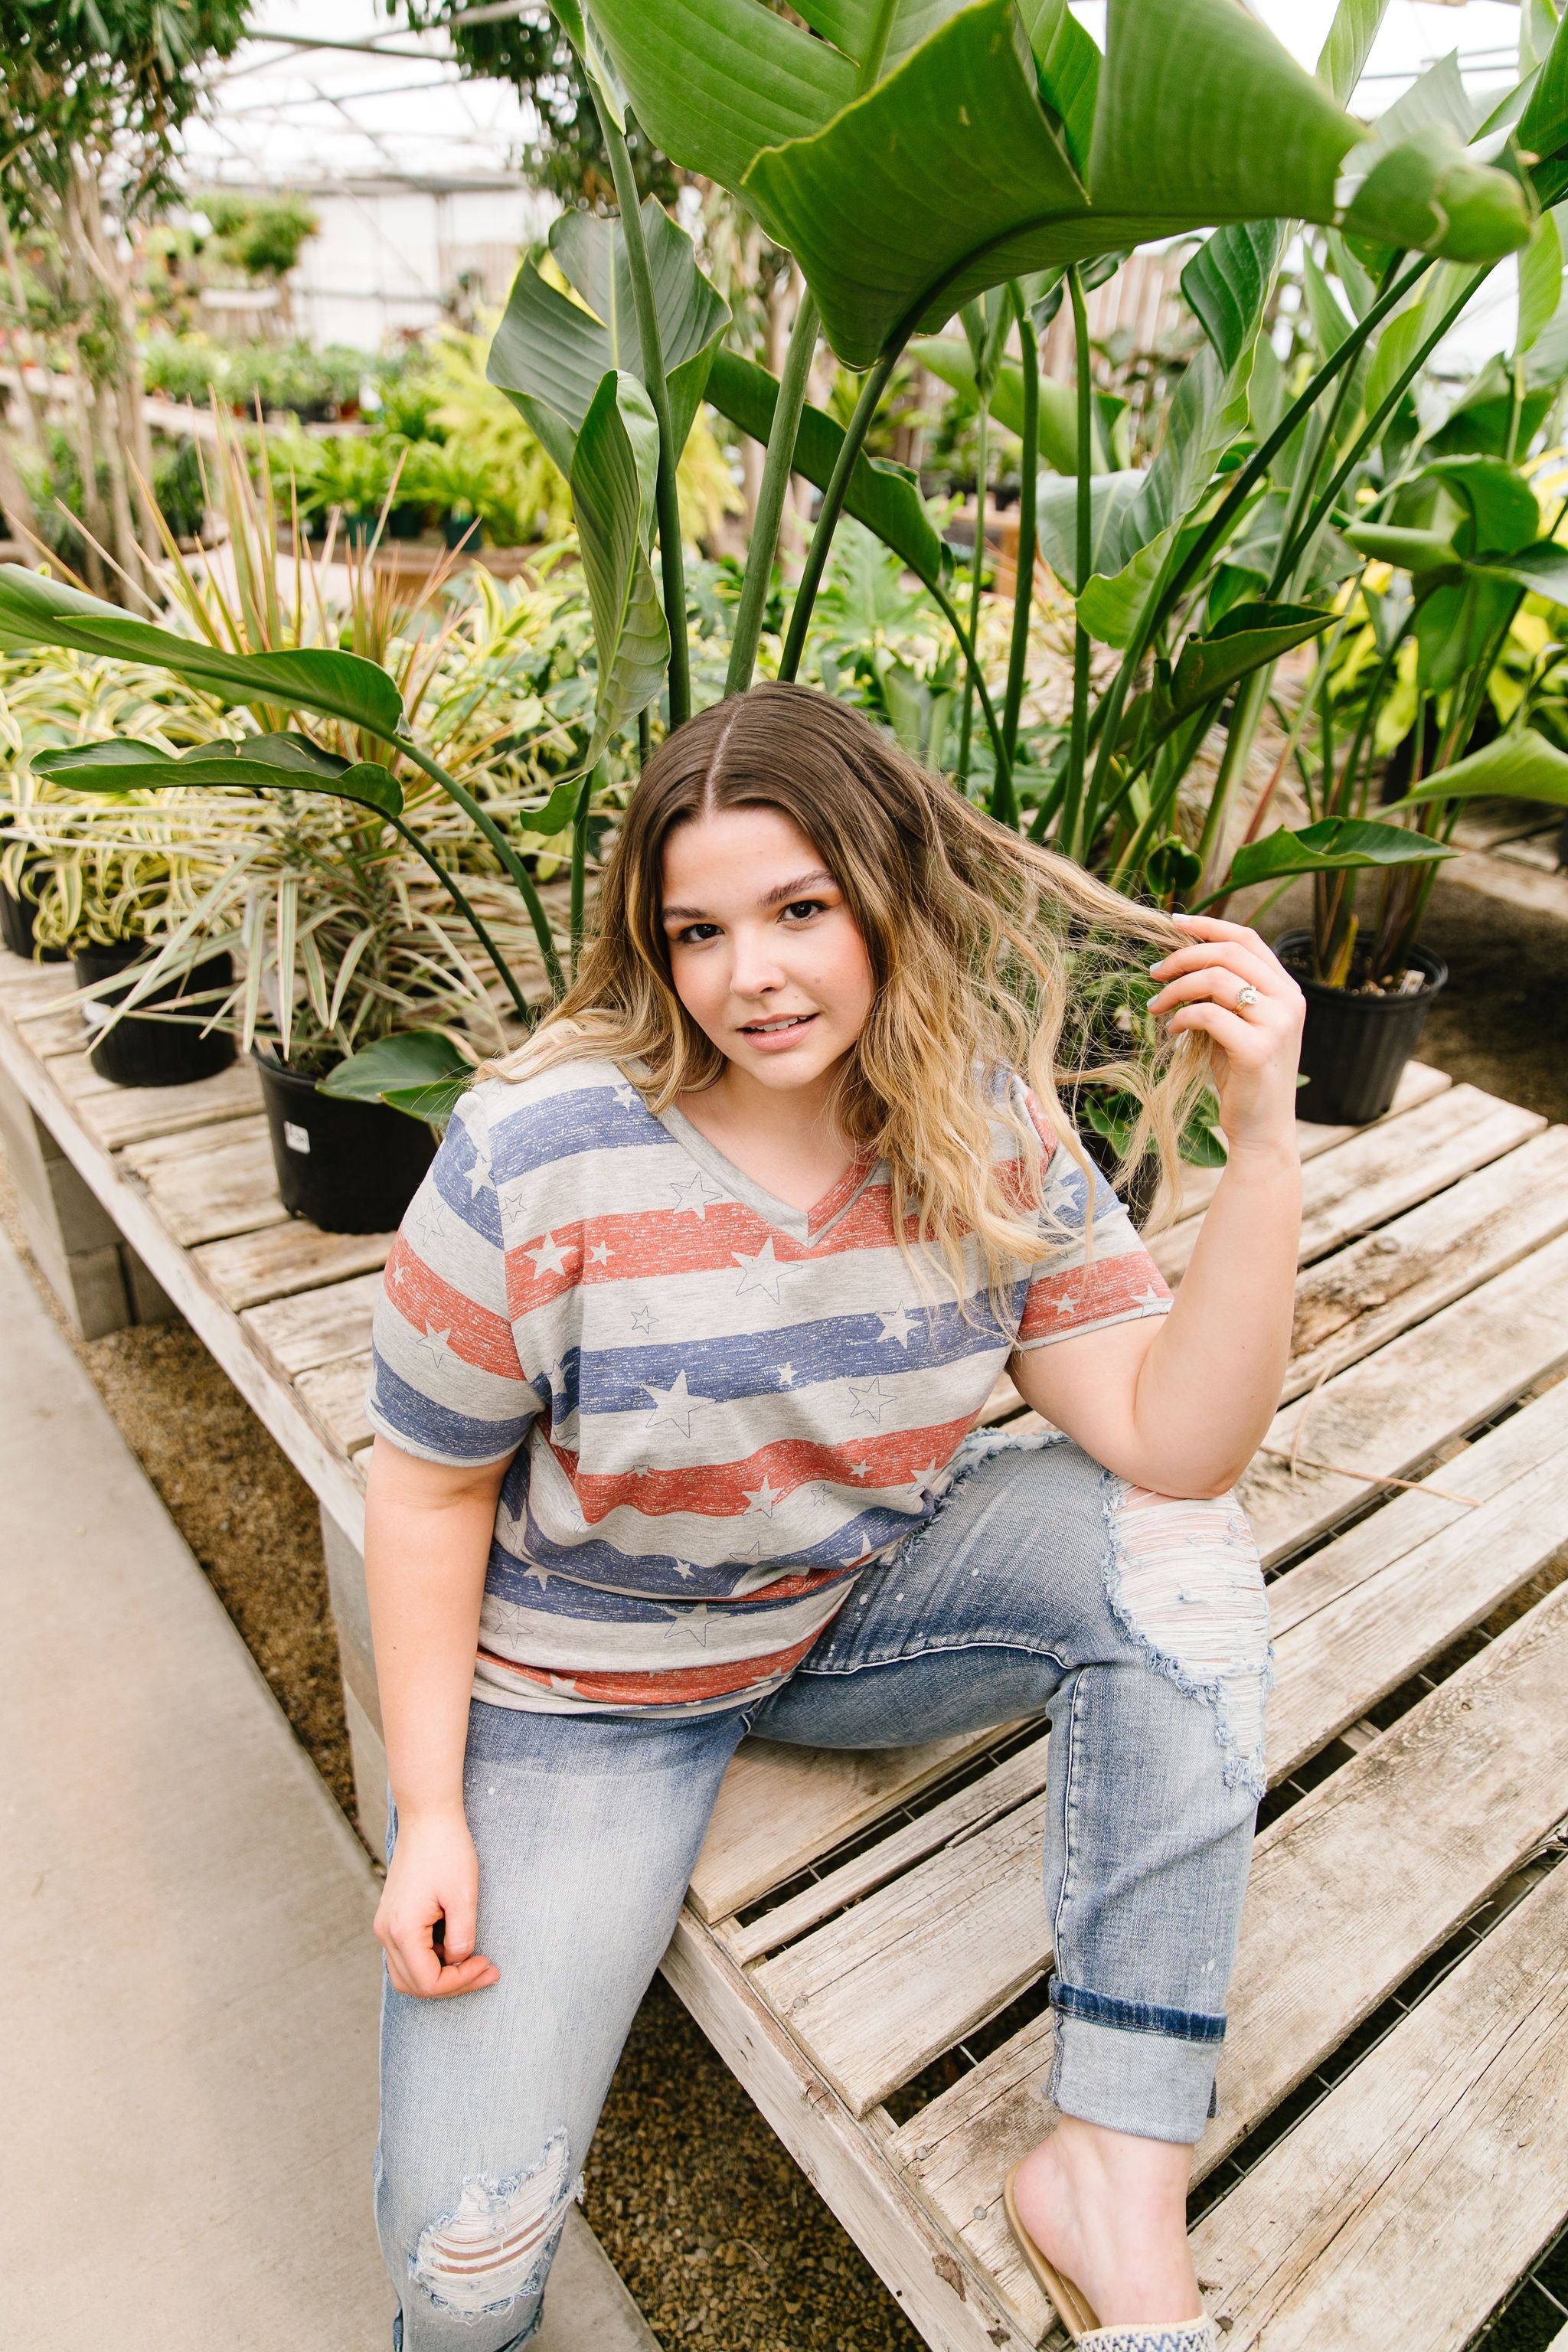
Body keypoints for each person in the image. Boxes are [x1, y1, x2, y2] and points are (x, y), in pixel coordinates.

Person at [363, 681, 1303, 2351]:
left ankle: (1115, 2170)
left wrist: (1260, 1132)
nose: (753, 975)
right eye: (699, 929)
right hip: (590, 1694)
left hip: (855, 1610)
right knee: (464, 2266)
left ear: (884, 892)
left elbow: (1174, 1446)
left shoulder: (983, 1124)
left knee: (1182, 1571)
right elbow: (429, 1490)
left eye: (800, 909)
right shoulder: (540, 1151)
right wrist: (432, 1810)